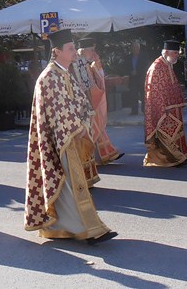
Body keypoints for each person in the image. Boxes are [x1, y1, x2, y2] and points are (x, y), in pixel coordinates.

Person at [24, 29, 117, 244]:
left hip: (70, 137)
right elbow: (57, 112)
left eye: (75, 48)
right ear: (57, 51)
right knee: (68, 184)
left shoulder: (65, 73)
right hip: (57, 141)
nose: (75, 52)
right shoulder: (48, 77)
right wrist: (79, 128)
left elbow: (80, 103)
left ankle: (65, 227)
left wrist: (84, 123)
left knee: (68, 184)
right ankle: (88, 229)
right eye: (71, 48)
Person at [143, 40, 187, 167]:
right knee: (166, 133)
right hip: (163, 109)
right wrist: (161, 107)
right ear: (166, 52)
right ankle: (174, 158)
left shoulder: (167, 65)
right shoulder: (157, 67)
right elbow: (154, 90)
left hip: (172, 107)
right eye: (175, 53)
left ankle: (179, 156)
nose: (177, 55)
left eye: (178, 53)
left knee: (175, 132)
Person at [73, 38, 123, 166]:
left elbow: (96, 79)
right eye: (92, 50)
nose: (94, 53)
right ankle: (95, 158)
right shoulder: (77, 62)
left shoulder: (85, 62)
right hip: (83, 103)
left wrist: (97, 62)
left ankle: (106, 154)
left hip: (90, 100)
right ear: (83, 50)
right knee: (94, 128)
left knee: (97, 128)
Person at [126, 41, 147, 115]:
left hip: (141, 79)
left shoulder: (143, 57)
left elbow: (145, 68)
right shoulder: (129, 57)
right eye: (133, 47)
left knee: (143, 95)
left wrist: (137, 72)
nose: (135, 49)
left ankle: (144, 110)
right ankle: (134, 111)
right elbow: (125, 67)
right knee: (133, 95)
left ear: (139, 48)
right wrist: (130, 72)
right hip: (132, 79)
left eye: (136, 47)